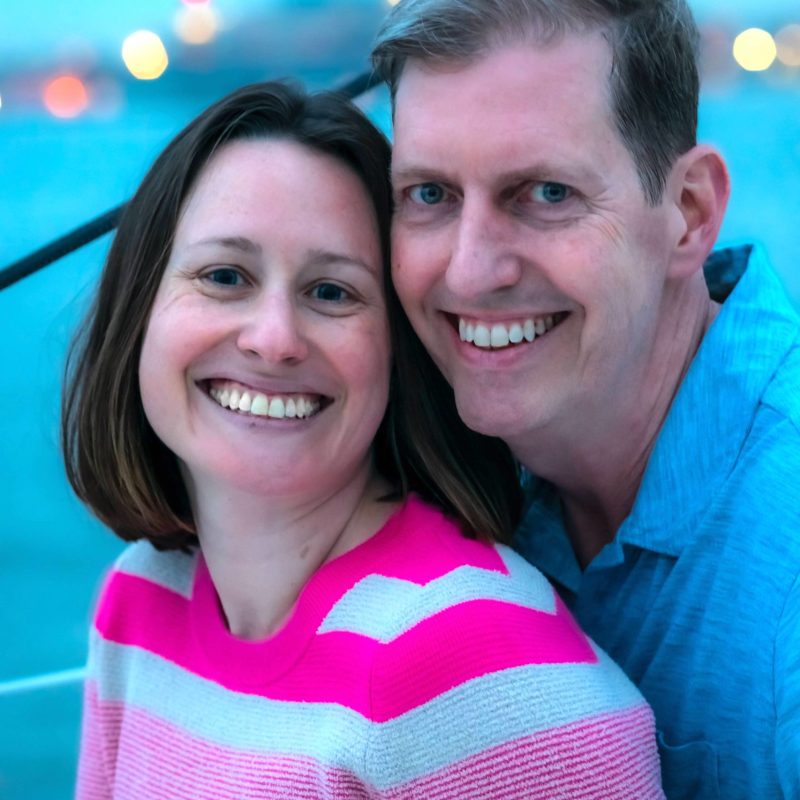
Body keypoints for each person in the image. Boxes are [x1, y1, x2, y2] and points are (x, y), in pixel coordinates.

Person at [62, 81, 665, 798]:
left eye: (332, 292)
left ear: (395, 351)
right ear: (140, 312)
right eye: (225, 277)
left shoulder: (479, 664)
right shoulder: (140, 601)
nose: (275, 339)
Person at [371, 0, 800, 797]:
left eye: (545, 193)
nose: (468, 272)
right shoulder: (440, 455)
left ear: (689, 213)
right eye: (429, 195)